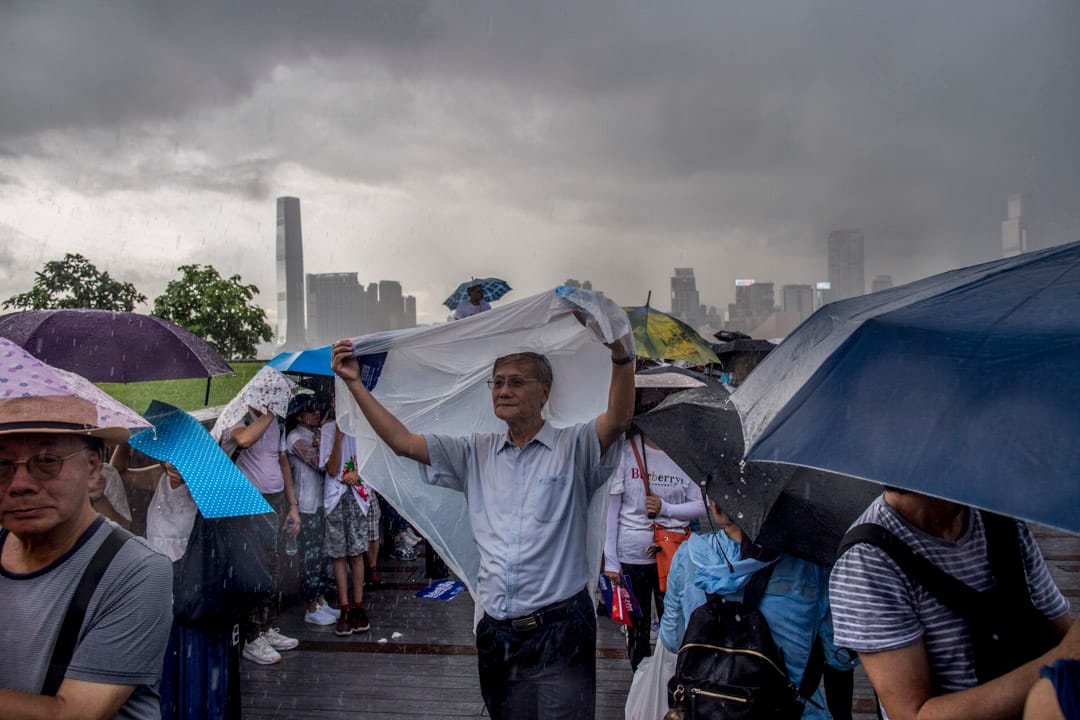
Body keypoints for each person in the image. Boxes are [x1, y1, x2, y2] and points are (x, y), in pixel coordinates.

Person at [331, 335, 635, 720]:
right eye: (498, 382)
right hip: (498, 634)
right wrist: (354, 383)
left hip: (561, 632)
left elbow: (618, 419)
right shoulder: (475, 451)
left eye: (516, 382)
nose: (504, 390)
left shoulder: (573, 446)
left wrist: (621, 355)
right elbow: (402, 442)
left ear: (544, 392)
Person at [830, 489, 1080, 720]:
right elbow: (912, 715)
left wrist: (1067, 656)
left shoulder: (1000, 518)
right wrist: (1060, 660)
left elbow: (1060, 633)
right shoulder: (867, 561)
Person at [0, 393, 173, 719]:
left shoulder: (137, 570)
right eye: (2, 465)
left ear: (94, 468)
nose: (20, 483)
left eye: (47, 461)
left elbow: (73, 714)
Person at [660, 496, 854, 719]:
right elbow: (839, 656)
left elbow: (673, 640)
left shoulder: (687, 557)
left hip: (704, 708)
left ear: (716, 507)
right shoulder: (813, 566)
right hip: (789, 710)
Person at [212, 368, 301, 665]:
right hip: (246, 503)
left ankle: (265, 626)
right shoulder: (240, 416)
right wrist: (270, 413)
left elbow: (282, 461)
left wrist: (292, 505)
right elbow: (244, 440)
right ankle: (251, 637)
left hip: (274, 501)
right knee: (253, 570)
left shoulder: (276, 423)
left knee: (272, 566)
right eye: (277, 394)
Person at [604, 426, 704, 671]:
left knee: (675, 625)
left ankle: (670, 680)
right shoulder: (626, 452)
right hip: (631, 555)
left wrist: (666, 509)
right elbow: (611, 510)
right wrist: (611, 560)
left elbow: (701, 505)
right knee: (636, 629)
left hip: (673, 557)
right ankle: (640, 680)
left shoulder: (684, 455)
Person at [319, 412, 374, 637]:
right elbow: (332, 469)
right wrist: (339, 437)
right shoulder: (327, 430)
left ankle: (358, 605)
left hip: (358, 497)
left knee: (357, 553)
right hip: (335, 498)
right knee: (338, 554)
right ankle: (344, 607)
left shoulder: (365, 427)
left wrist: (358, 473)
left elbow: (373, 463)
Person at [285, 393, 337, 626]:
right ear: (299, 415)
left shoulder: (315, 434)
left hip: (320, 502)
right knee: (311, 556)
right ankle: (311, 606)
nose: (316, 413)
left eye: (317, 409)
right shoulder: (295, 438)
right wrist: (325, 434)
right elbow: (321, 462)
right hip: (305, 505)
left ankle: (321, 600)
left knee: (323, 555)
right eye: (310, 410)